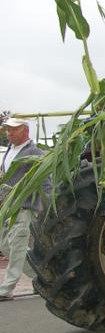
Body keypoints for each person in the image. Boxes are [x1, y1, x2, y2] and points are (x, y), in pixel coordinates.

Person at [0, 117, 45, 301]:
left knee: (17, 245)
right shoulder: (9, 151)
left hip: (24, 207)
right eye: (7, 129)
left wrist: (48, 202)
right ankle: (40, 278)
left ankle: (6, 289)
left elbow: (45, 179)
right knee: (5, 245)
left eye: (13, 129)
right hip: (7, 208)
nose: (8, 133)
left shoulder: (34, 152)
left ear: (25, 131)